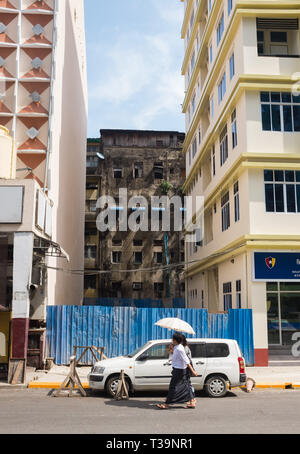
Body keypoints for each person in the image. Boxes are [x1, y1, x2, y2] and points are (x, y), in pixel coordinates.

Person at [156, 333, 197, 410]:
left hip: (179, 371)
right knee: (186, 385)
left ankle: (167, 404)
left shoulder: (179, 348)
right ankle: (192, 402)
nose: (172, 340)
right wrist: (172, 349)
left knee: (173, 387)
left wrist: (193, 371)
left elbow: (186, 360)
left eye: (173, 339)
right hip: (179, 370)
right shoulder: (178, 347)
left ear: (175, 340)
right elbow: (177, 357)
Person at [182, 335, 197, 409]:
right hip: (187, 367)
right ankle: (192, 399)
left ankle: (192, 400)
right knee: (188, 383)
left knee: (187, 384)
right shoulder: (184, 347)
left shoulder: (184, 348)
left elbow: (184, 359)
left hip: (186, 367)